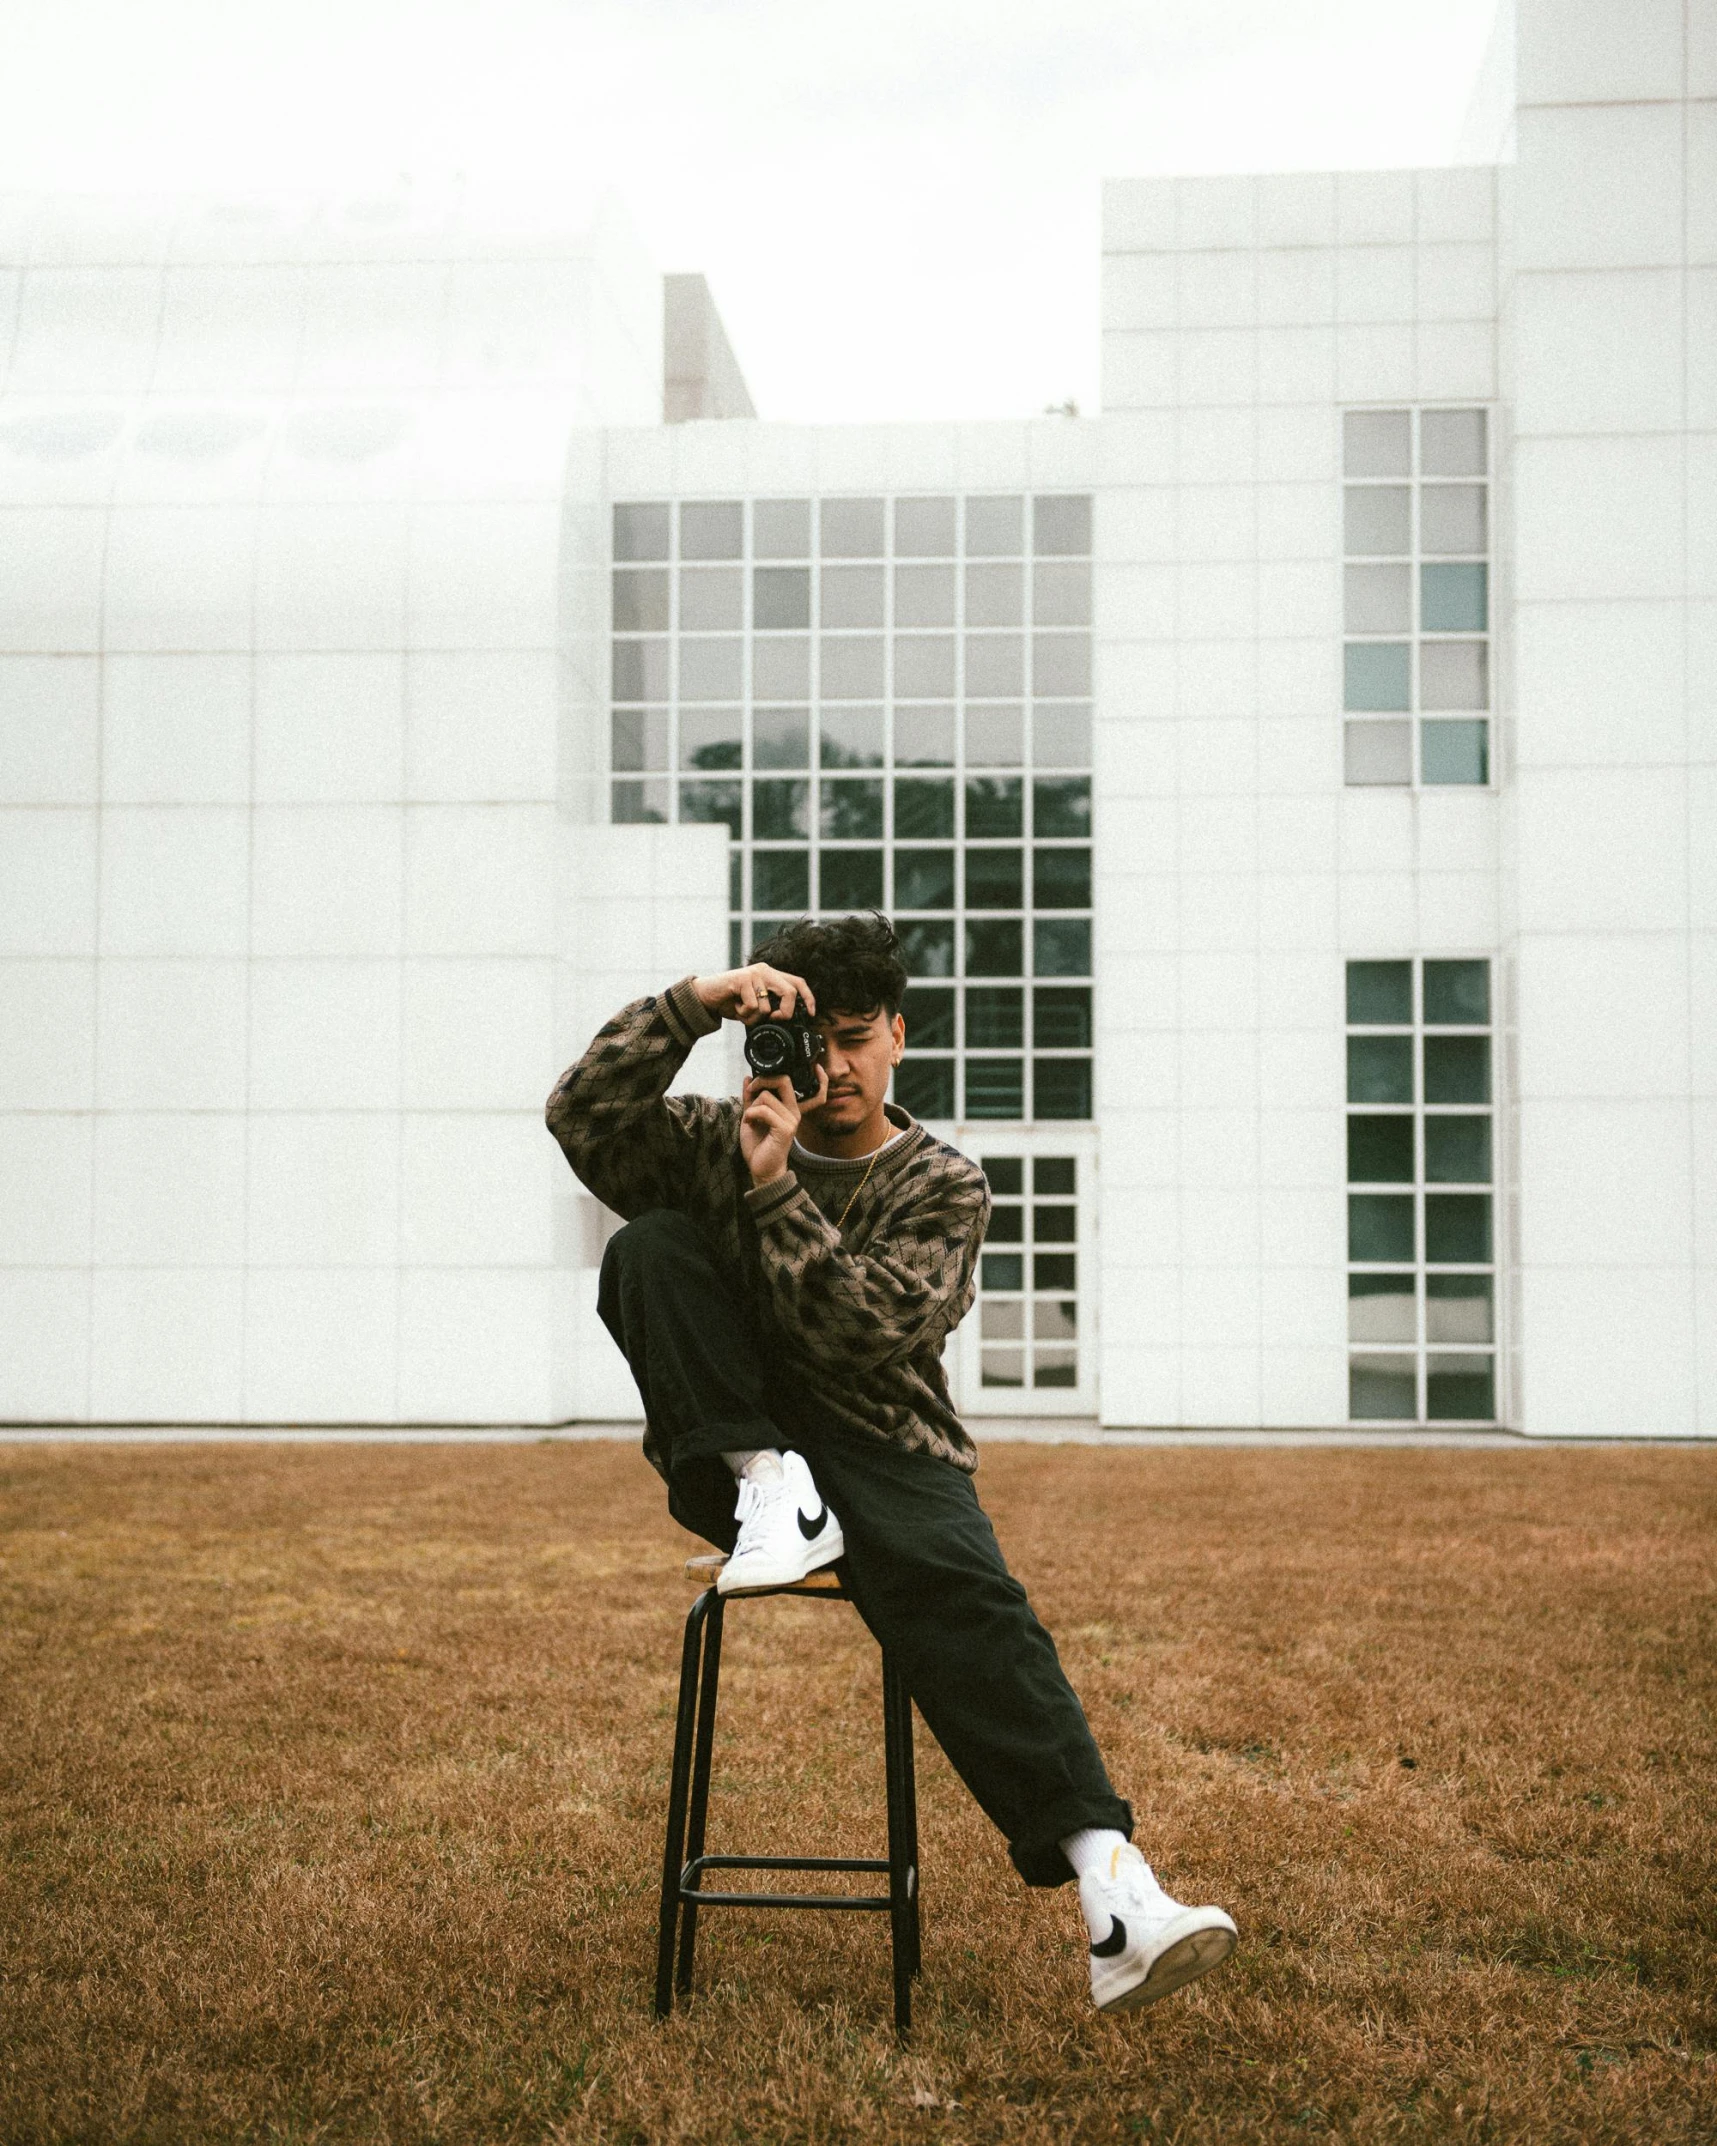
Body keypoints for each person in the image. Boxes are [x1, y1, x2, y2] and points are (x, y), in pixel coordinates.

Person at [545, 911, 1237, 2014]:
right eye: (812, 1042)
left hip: (884, 1443)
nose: (834, 1068)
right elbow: (579, 1114)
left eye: (857, 1038)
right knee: (647, 1244)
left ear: (898, 1037)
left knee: (970, 1603)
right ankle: (774, 1486)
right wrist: (697, 1001)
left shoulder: (942, 1184)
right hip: (738, 1466)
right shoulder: (709, 1136)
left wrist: (772, 1189)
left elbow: (862, 1332)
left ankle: (1117, 1893)